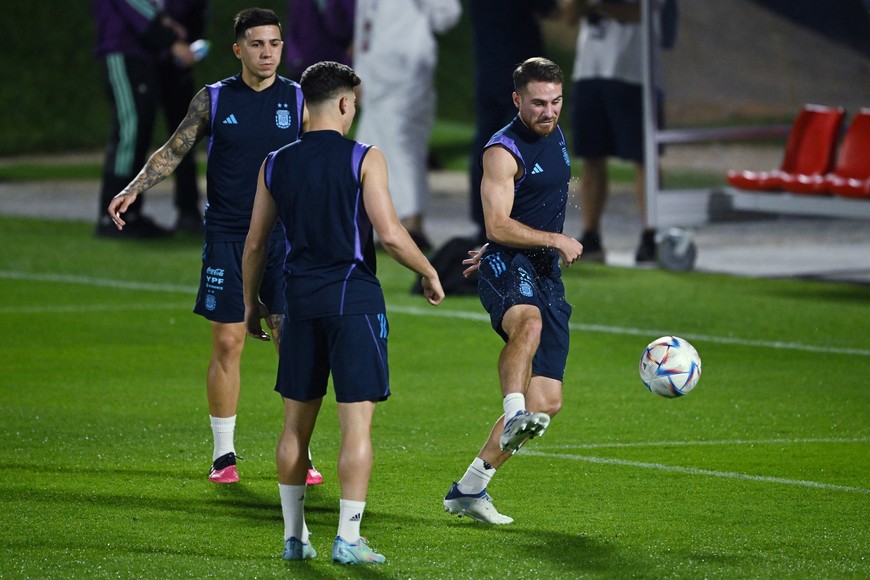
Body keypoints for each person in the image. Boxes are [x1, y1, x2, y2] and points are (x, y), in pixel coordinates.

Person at [106, 7, 322, 486]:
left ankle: (298, 451)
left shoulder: (299, 99)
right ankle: (224, 454)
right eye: (257, 44)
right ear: (238, 49)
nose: (267, 53)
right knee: (228, 341)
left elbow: (320, 159)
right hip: (227, 235)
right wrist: (134, 188)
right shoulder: (215, 99)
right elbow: (173, 149)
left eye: (274, 44)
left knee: (293, 346)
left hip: (283, 240)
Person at [241, 61, 444, 563]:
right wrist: (429, 271)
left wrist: (251, 304)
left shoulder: (275, 162)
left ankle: (294, 539)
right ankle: (348, 540)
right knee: (356, 429)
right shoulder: (364, 157)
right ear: (346, 103)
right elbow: (391, 234)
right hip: (353, 302)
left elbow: (254, 245)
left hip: (298, 303)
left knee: (294, 428)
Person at [443, 57, 582, 524]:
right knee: (529, 322)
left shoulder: (556, 134)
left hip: (545, 272)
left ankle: (469, 488)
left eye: (556, 101)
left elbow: (549, 193)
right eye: (539, 103)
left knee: (549, 402)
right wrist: (552, 239)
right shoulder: (502, 151)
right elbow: (497, 222)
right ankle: (513, 407)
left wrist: (541, 235)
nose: (549, 111)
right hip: (510, 261)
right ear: (517, 100)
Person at [353, 0, 462, 251]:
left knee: (405, 145)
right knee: (372, 147)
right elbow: (365, 24)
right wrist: (359, 70)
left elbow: (447, 16)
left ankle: (412, 223)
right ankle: (384, 225)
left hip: (408, 72)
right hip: (375, 72)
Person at [568, 0, 669, 263]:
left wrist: (600, 4)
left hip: (636, 72)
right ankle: (591, 235)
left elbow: (644, 11)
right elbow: (568, 13)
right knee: (590, 156)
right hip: (589, 70)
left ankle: (652, 234)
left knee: (643, 157)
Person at [93, 0, 197, 239]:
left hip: (138, 53)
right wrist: (171, 40)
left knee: (138, 133)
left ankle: (129, 214)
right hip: (123, 50)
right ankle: (112, 217)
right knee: (130, 132)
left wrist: (166, 25)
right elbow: (135, 7)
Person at [467, 0, 560, 244]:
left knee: (488, 150)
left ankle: (486, 224)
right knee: (523, 153)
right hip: (522, 76)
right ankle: (518, 227)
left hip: (488, 71)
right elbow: (554, 11)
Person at [158, 0, 209, 234]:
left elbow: (196, 13)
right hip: (148, 57)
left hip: (175, 64)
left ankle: (188, 210)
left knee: (183, 139)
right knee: (136, 134)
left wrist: (186, 44)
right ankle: (125, 212)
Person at [283, 0, 355, 81]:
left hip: (333, 67)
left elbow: (342, 30)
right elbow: (293, 30)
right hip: (303, 68)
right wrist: (295, 59)